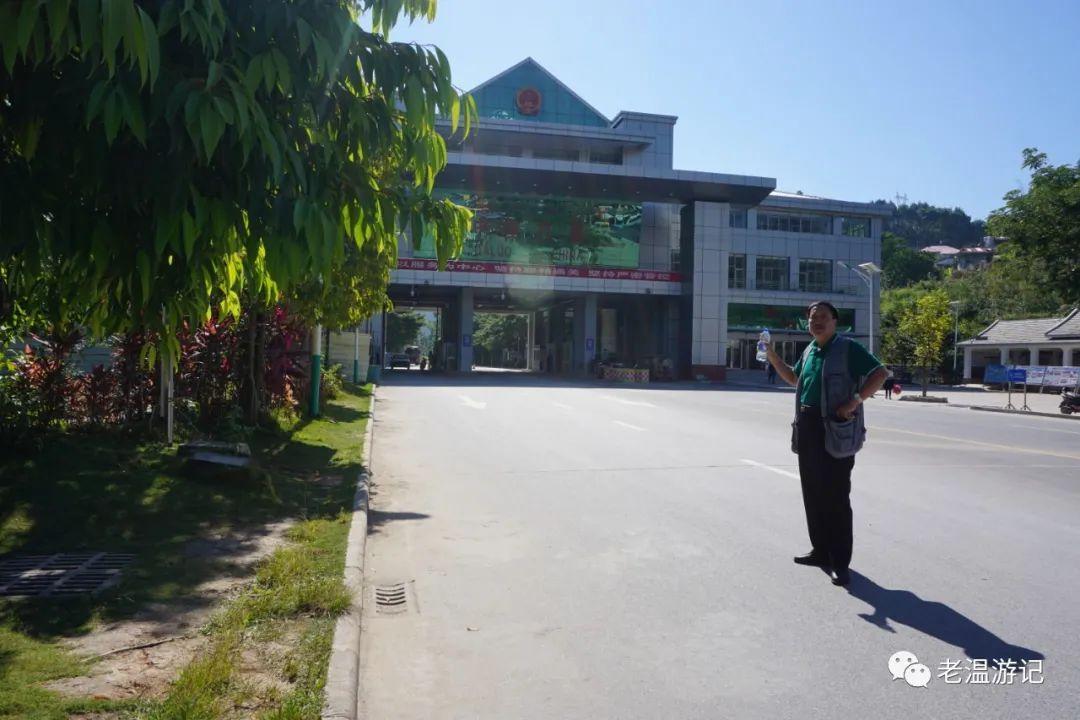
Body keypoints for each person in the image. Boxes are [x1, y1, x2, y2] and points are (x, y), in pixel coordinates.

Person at [764, 301, 887, 587]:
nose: (816, 321)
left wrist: (854, 401)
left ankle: (840, 562)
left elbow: (880, 373)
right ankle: (820, 551)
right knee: (813, 493)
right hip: (807, 428)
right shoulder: (809, 350)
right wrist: (772, 356)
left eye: (823, 317)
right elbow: (794, 378)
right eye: (812, 318)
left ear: (835, 321)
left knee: (836, 497)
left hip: (835, 428)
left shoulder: (847, 349)